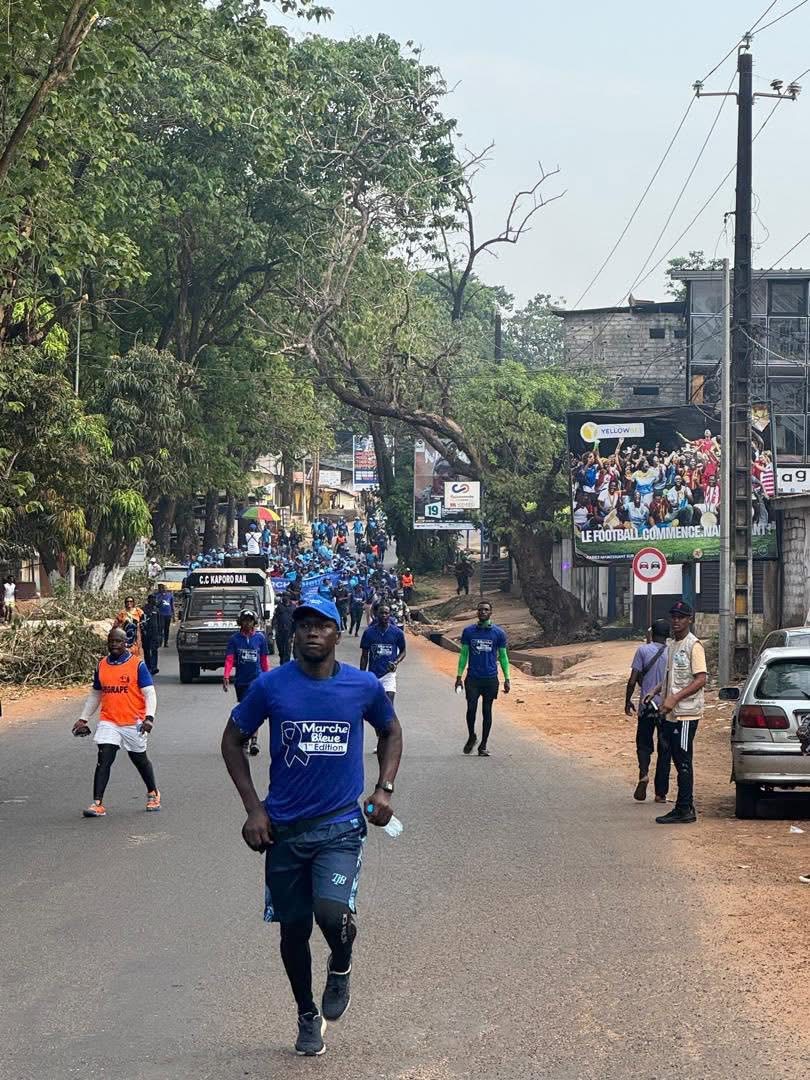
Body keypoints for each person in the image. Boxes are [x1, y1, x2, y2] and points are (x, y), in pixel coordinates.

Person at [220, 596, 403, 1058]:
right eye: (304, 625)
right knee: (294, 931)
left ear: (337, 633)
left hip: (339, 826)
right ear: (294, 634)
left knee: (331, 913)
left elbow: (390, 731)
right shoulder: (270, 686)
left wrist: (384, 788)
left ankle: (340, 963)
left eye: (322, 625)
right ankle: (306, 1014)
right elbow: (232, 740)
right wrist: (253, 809)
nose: (312, 632)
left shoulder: (363, 686)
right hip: (284, 830)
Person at [72, 627, 161, 817]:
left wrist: (149, 718)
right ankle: (97, 803)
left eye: (118, 641)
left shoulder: (137, 665)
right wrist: (83, 718)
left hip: (133, 722)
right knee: (104, 758)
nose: (114, 645)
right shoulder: (102, 665)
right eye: (111, 641)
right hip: (109, 720)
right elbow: (96, 694)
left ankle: (153, 792)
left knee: (139, 759)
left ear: (125, 643)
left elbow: (150, 694)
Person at [655, 600, 707, 825]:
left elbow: (701, 679)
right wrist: (656, 692)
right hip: (671, 712)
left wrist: (675, 698)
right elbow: (672, 676)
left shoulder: (693, 645)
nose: (676, 621)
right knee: (675, 758)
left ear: (689, 620)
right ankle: (683, 806)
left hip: (686, 714)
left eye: (681, 617)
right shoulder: (672, 644)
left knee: (684, 761)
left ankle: (685, 808)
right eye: (674, 617)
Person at [455, 600, 510, 757]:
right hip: (473, 678)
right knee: (471, 709)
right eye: (480, 610)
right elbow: (464, 654)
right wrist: (459, 676)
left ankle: (483, 745)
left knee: (487, 710)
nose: (483, 612)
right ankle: (472, 735)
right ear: (477, 612)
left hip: (490, 679)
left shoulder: (498, 633)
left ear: (491, 612)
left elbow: (503, 657)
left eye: (486, 610)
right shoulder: (469, 632)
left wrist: (507, 678)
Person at [624, 619, 671, 803]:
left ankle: (643, 774)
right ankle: (661, 793)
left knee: (643, 744)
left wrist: (627, 701)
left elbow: (632, 680)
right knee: (664, 748)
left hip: (646, 706)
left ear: (651, 634)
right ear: (668, 635)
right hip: (666, 707)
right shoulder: (672, 652)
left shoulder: (642, 651)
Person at [223, 610, 270, 758]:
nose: (247, 623)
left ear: (254, 622)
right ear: (240, 622)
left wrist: (267, 678)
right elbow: (230, 659)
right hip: (241, 681)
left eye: (250, 620)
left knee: (255, 710)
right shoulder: (234, 639)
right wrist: (226, 675)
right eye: (244, 620)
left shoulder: (260, 638)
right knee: (245, 710)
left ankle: (254, 741)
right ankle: (244, 739)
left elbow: (264, 660)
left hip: (256, 680)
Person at [360, 603, 407, 704]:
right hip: (373, 675)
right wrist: (362, 675)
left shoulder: (397, 633)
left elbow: (403, 651)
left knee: (388, 706)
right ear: (376, 614)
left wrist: (396, 662)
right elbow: (364, 656)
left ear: (390, 615)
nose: (384, 615)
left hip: (388, 675)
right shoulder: (369, 633)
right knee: (373, 707)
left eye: (386, 613)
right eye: (381, 613)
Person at [140, 594, 163, 676]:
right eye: (152, 599)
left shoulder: (156, 610)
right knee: (146, 650)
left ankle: (154, 667)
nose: (154, 600)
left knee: (154, 650)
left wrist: (160, 634)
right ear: (149, 600)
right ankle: (148, 666)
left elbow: (160, 623)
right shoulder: (143, 610)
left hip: (155, 634)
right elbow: (141, 622)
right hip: (146, 633)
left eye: (155, 599)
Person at [272, 594, 295, 664]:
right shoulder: (279, 607)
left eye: (286, 596)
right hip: (280, 631)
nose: (284, 598)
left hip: (289, 632)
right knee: (281, 649)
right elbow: (275, 618)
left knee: (287, 649)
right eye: (283, 596)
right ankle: (282, 662)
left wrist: (294, 631)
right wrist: (273, 628)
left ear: (289, 598)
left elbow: (296, 620)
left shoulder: (293, 607)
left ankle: (286, 664)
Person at [154, 583, 175, 647]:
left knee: (167, 629)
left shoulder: (170, 595)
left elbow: (172, 605)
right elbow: (155, 604)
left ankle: (166, 642)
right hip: (161, 614)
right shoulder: (157, 595)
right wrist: (159, 601)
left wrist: (173, 615)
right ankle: (160, 641)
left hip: (168, 614)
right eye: (161, 588)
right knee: (160, 628)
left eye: (164, 588)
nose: (163, 589)